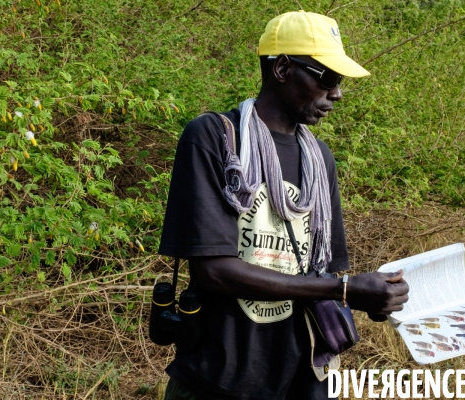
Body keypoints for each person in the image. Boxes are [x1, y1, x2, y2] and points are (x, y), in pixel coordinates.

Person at [157, 10, 409, 400]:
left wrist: (372, 296)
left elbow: (325, 270)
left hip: (304, 375)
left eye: (339, 82)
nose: (337, 93)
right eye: (328, 78)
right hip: (219, 378)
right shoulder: (214, 139)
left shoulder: (318, 157)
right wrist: (343, 290)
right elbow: (215, 273)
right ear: (283, 69)